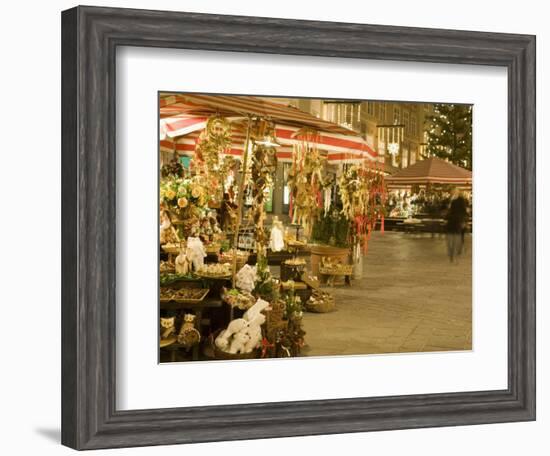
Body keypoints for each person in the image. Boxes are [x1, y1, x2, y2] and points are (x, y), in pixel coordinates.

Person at [445, 188, 468, 262]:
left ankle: (456, 250)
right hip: (451, 221)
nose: (453, 192)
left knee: (457, 236)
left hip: (458, 221)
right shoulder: (449, 199)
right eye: (452, 191)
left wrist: (464, 221)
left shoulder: (461, 200)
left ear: (458, 192)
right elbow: (446, 209)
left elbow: (464, 211)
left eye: (455, 191)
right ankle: (452, 251)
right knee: (450, 237)